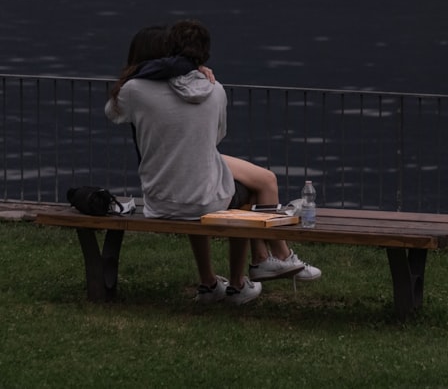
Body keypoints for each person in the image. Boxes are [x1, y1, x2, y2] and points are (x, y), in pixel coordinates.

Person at [105, 21, 318, 305]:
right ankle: (251, 272)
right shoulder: (215, 89)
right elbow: (216, 138)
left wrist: (139, 78)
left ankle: (214, 281)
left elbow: (112, 112)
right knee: (250, 188)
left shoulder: (134, 91)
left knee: (207, 180)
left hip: (160, 202)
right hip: (204, 200)